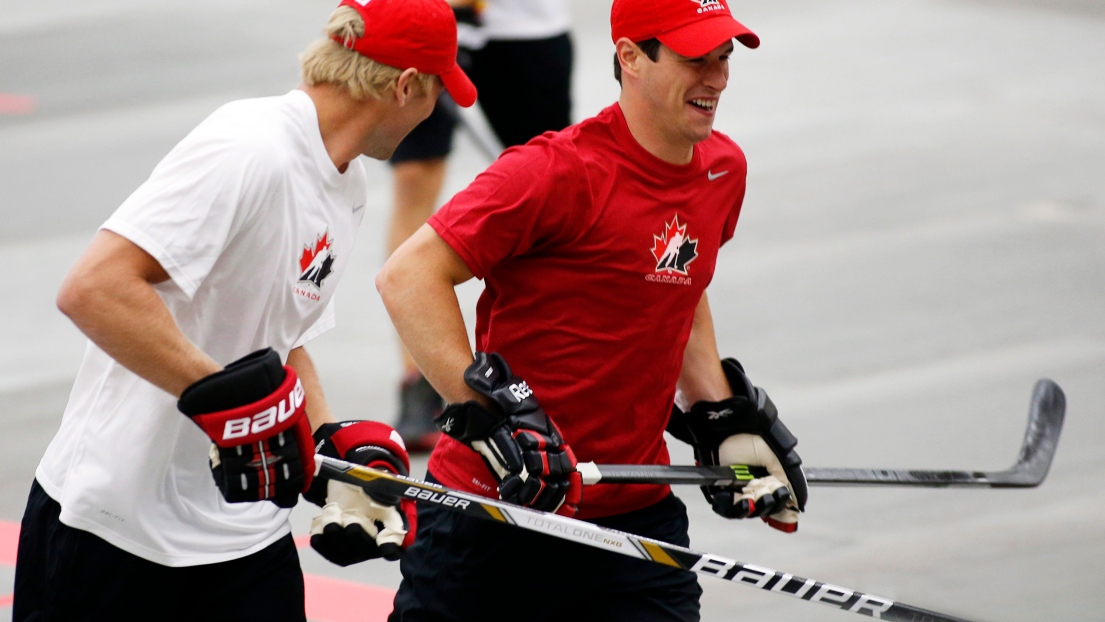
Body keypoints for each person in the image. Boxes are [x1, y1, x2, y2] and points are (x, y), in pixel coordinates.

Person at [13, 1, 476, 620]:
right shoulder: (249, 148)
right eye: (438, 93)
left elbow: (283, 332)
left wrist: (332, 447)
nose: (433, 113)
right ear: (406, 85)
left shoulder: (345, 181)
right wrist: (230, 402)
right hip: (115, 530)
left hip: (244, 537)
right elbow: (95, 289)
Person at [375, 0, 809, 619]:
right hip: (494, 516)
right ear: (631, 56)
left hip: (633, 518)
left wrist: (719, 414)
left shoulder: (722, 170)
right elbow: (408, 276)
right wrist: (488, 419)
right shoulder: (554, 171)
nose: (716, 78)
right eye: (695, 59)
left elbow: (677, 285)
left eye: (724, 57)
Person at [387, 0, 574, 453]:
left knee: (550, 183)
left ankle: (550, 361)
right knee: (415, 175)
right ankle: (419, 379)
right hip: (424, 19)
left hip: (524, 25)